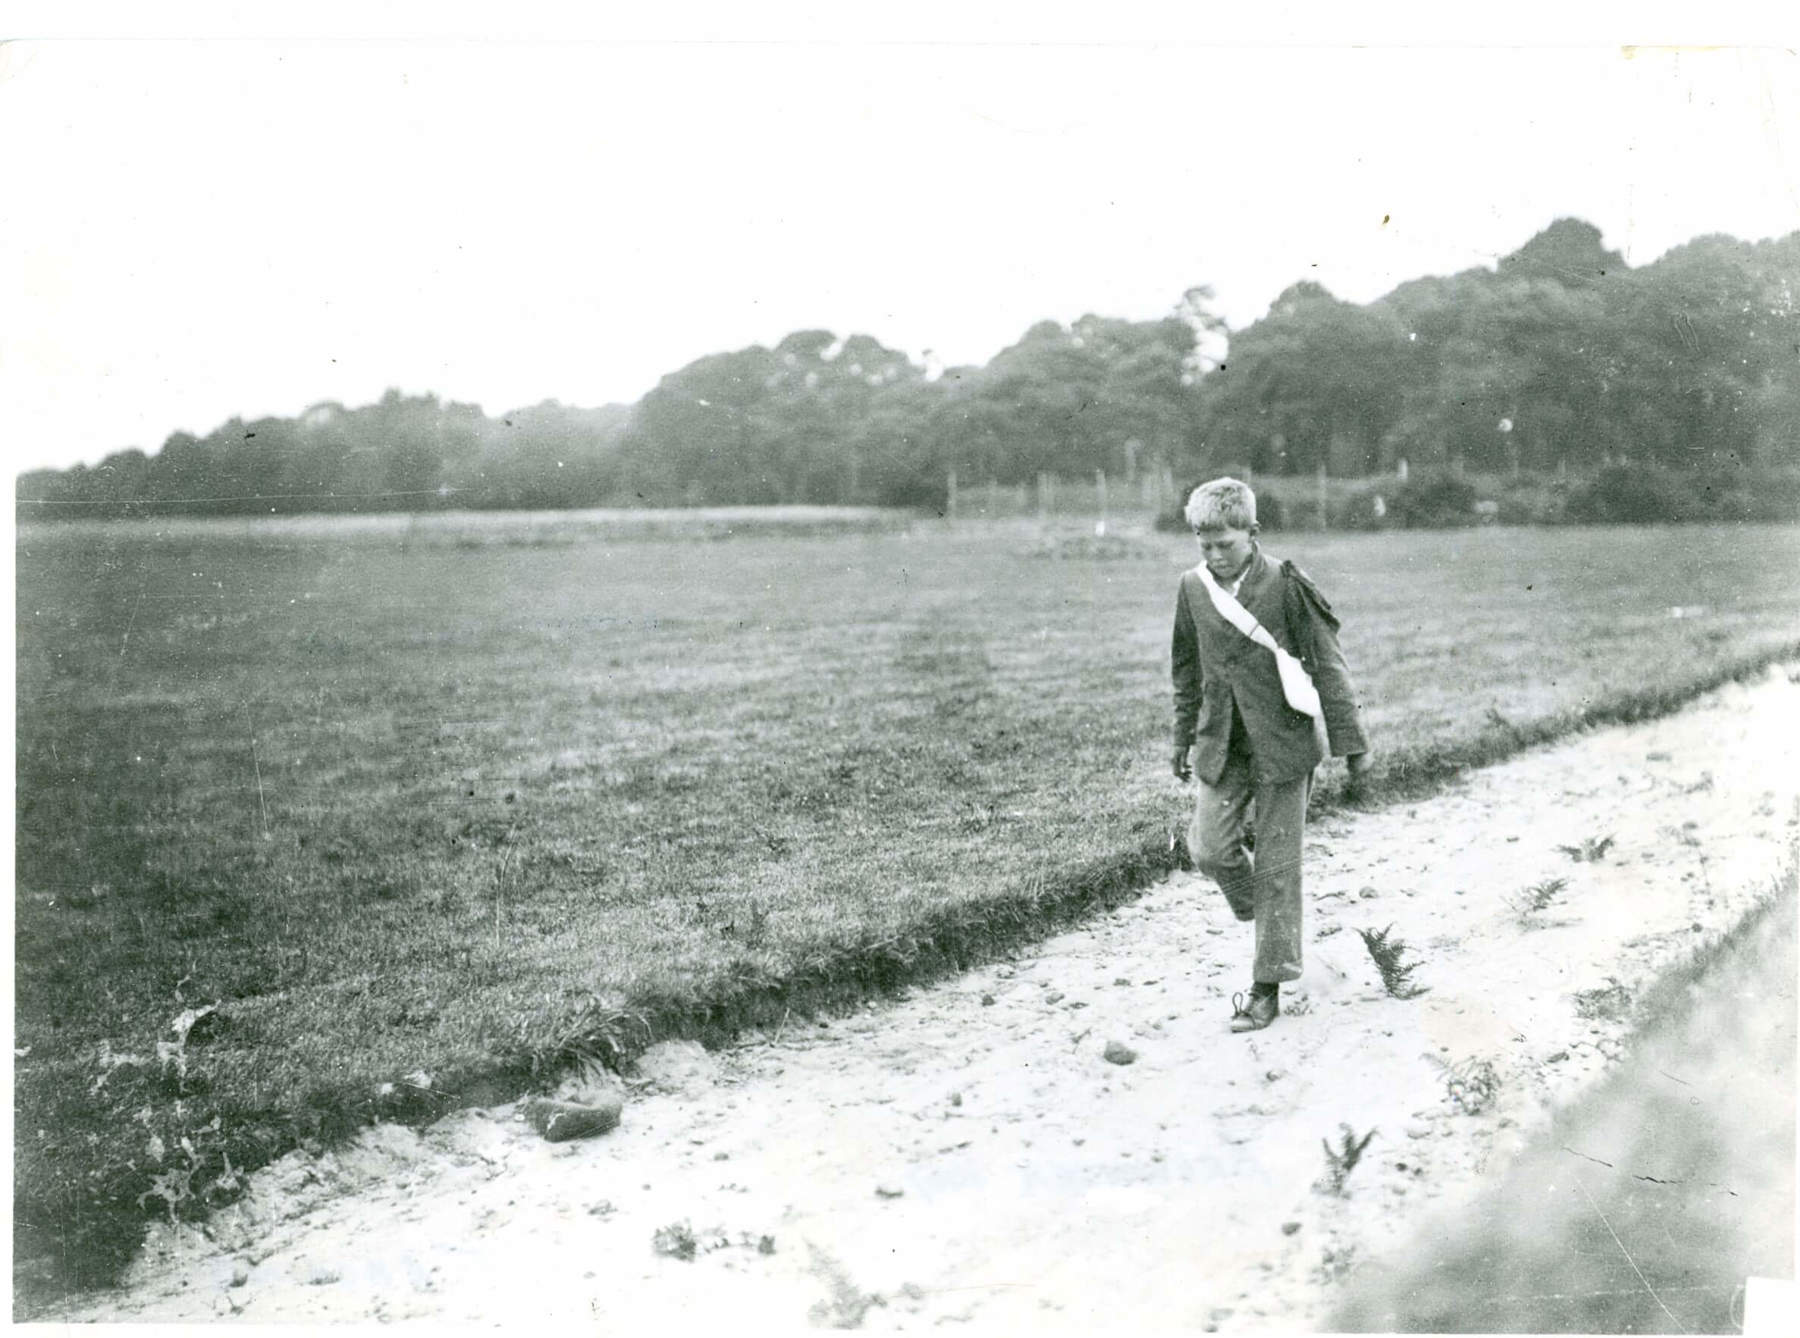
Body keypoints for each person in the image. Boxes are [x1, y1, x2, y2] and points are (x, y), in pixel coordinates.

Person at [1169, 477, 1370, 1032]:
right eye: (1203, 545)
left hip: (1284, 743)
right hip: (1221, 742)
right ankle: (1265, 913)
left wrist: (1352, 746)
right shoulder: (1191, 589)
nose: (1213, 556)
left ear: (1252, 534)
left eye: (1225, 545)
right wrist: (1182, 736)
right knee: (1209, 848)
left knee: (1280, 867)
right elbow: (1185, 671)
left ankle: (1266, 988)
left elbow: (1329, 665)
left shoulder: (1286, 583)